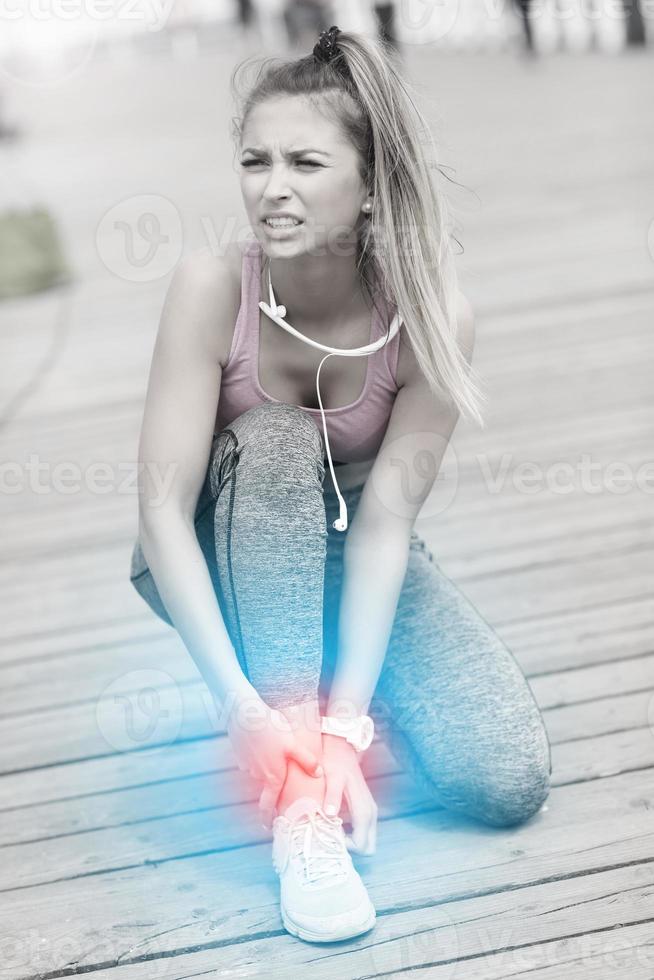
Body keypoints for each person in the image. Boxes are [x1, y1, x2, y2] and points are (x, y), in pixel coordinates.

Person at [130, 25, 552, 944]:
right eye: (255, 160)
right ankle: (301, 811)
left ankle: (329, 721)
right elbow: (160, 514)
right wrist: (245, 714)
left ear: (368, 188)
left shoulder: (431, 315)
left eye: (305, 163)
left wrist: (348, 725)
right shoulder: (213, 287)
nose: (271, 187)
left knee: (504, 776)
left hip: (351, 547)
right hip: (221, 541)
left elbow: (386, 525)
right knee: (277, 439)